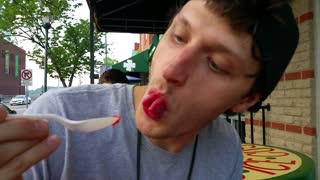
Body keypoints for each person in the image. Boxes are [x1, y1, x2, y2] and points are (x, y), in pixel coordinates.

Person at [0, 0, 299, 179]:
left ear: (245, 100)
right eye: (178, 37)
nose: (170, 70)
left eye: (217, 64)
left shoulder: (226, 147)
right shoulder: (56, 120)